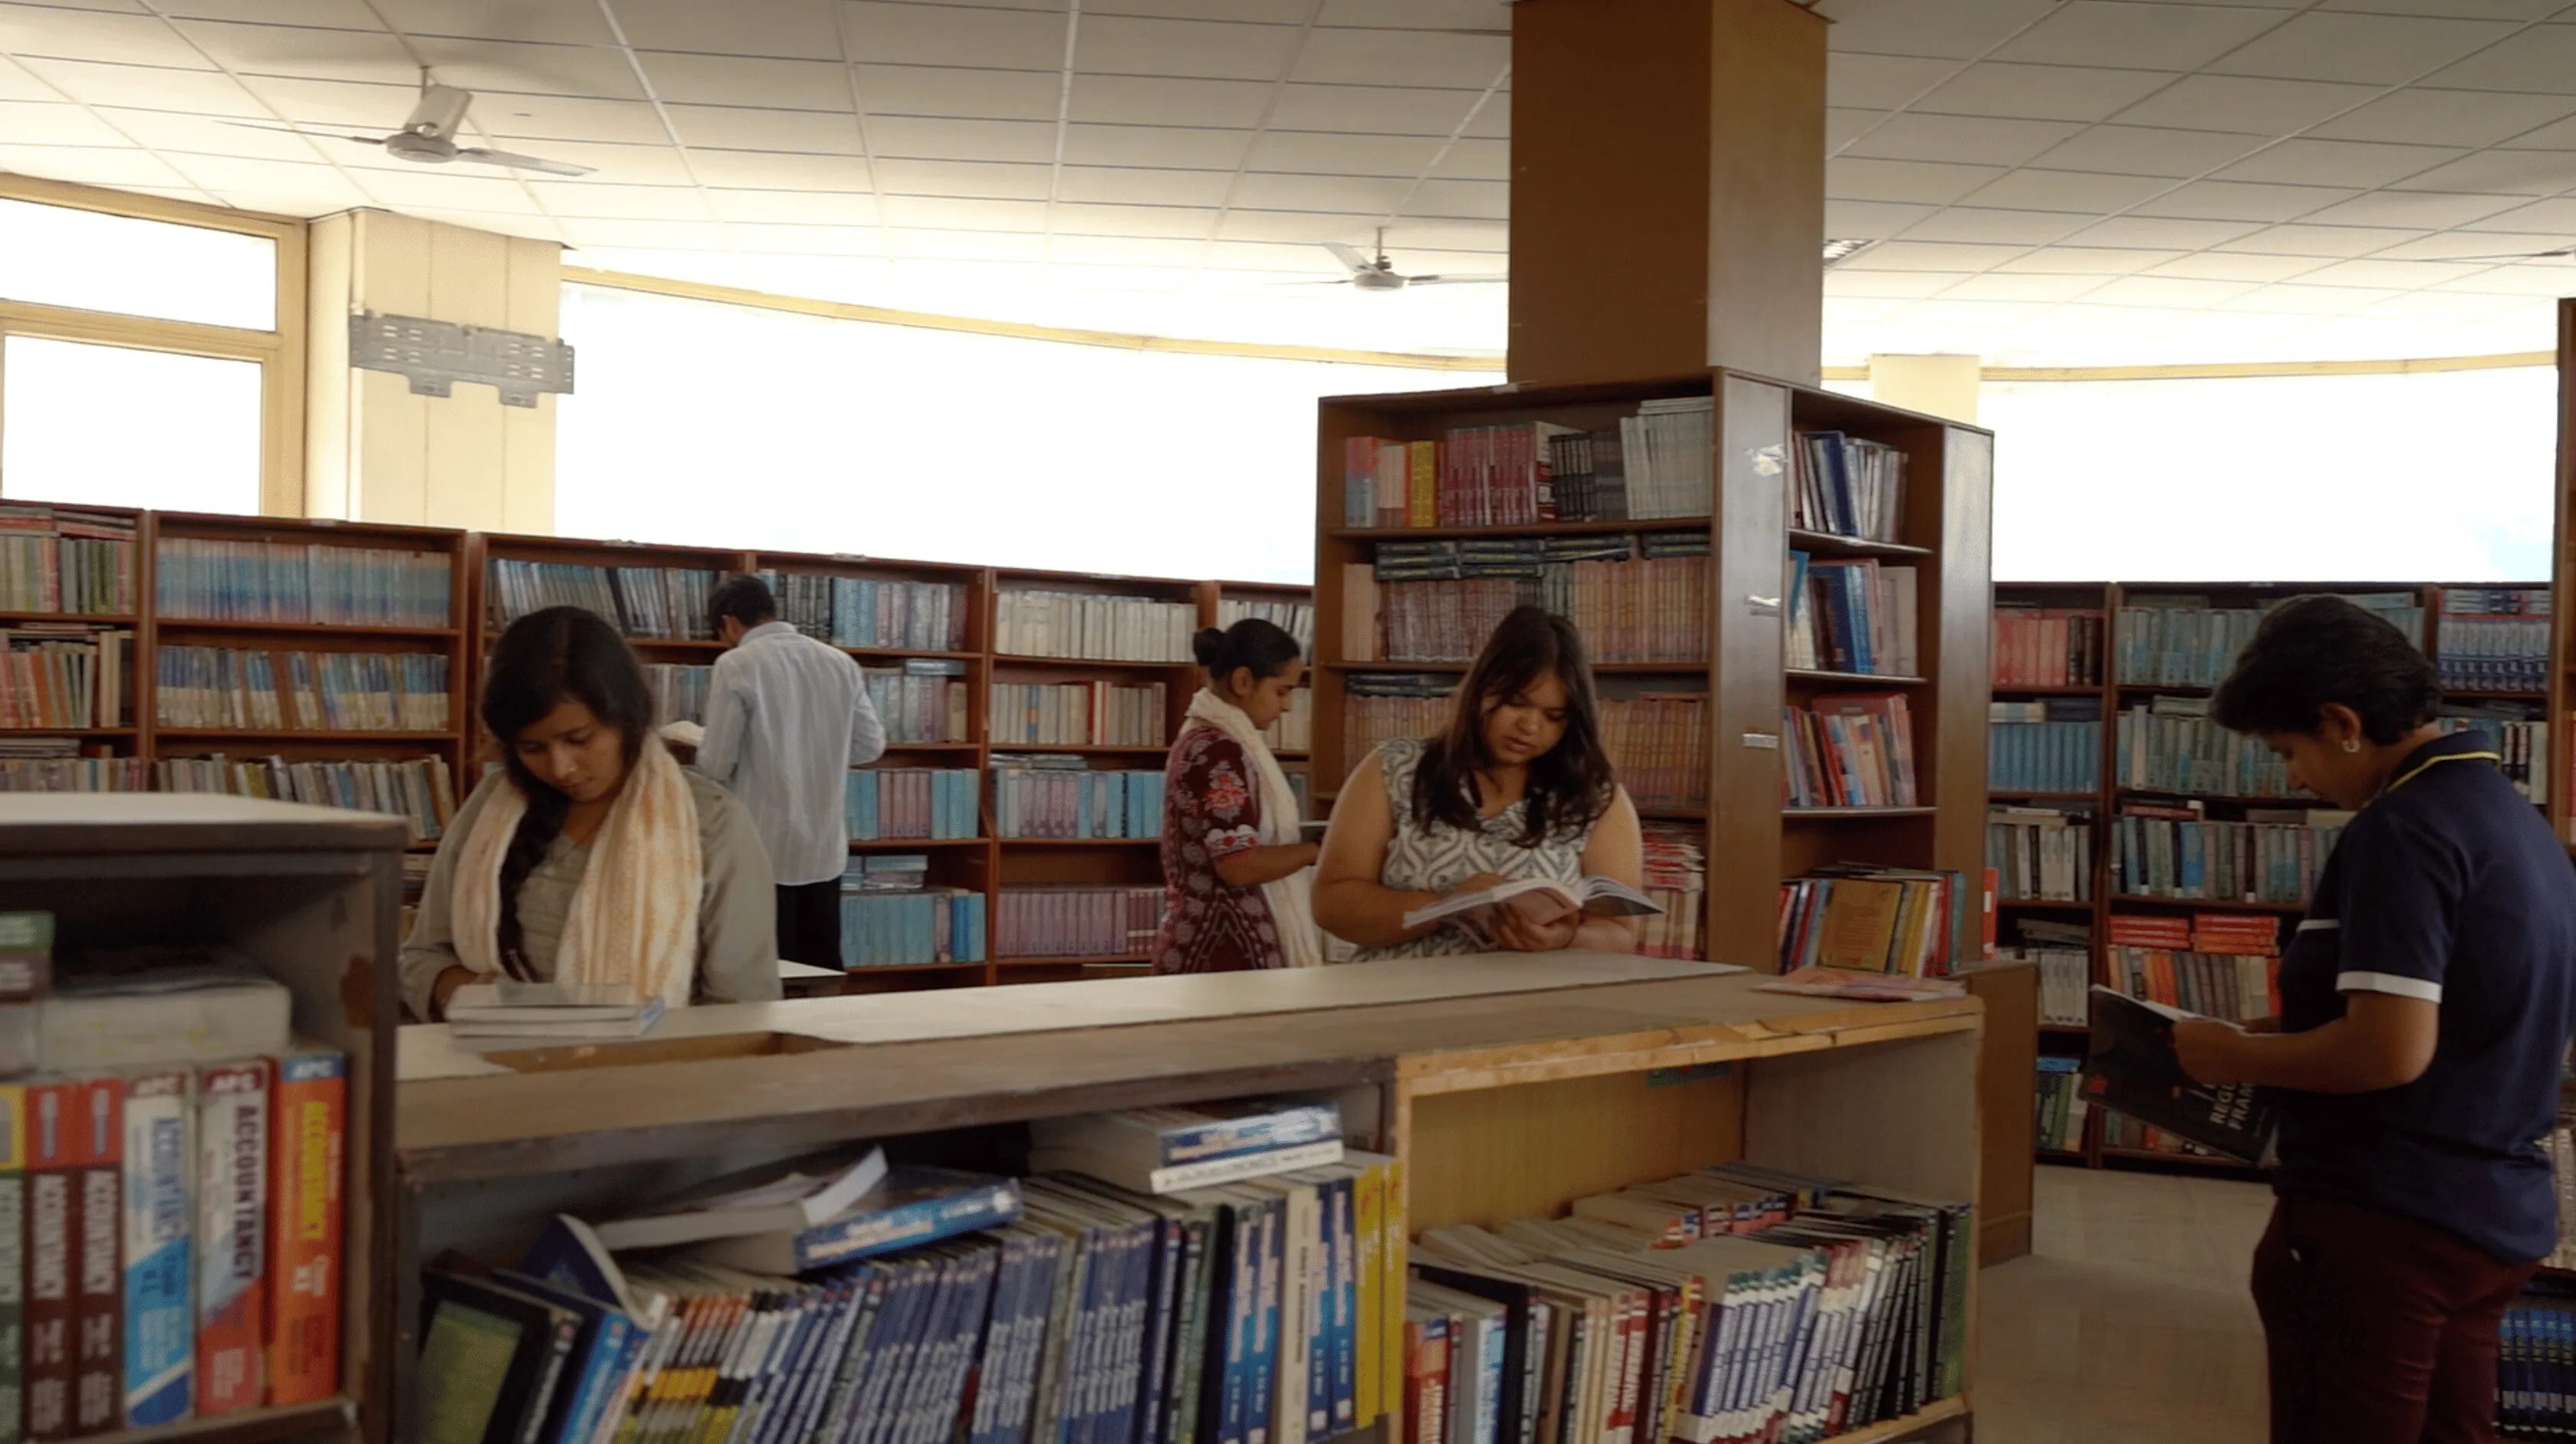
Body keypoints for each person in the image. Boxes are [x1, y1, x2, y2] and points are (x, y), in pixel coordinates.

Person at [2171, 594, 2576, 1444]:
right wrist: (2269, 1038)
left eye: (2289, 751)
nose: (2294, 778)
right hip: (2492, 1211)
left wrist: (2231, 1057)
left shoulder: (2404, 829)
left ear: (2342, 723)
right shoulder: (2515, 819)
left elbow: (2388, 1050)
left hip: (2387, 1219)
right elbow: (2461, 1015)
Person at [401, 606, 782, 1021]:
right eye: (533, 748)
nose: (561, 768)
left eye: (579, 739)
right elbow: (422, 957)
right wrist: (481, 999)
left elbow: (743, 1007)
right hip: (489, 1054)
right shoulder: (490, 809)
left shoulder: (711, 823)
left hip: (656, 1060)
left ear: (627, 717)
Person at [1314, 605, 1644, 959]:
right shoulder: (1394, 769)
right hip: (1400, 988)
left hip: (1534, 992)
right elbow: (1331, 903)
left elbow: (1620, 933)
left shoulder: (1595, 797)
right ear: (1482, 687)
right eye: (1516, 703)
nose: (1530, 727)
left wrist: (1565, 939)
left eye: (1553, 716)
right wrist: (1445, 906)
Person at [698, 574, 887, 969]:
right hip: (823, 850)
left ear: (729, 623)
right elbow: (871, 745)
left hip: (761, 849)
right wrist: (817, 753)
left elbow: (716, 764)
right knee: (820, 969)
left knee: (766, 974)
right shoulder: (839, 662)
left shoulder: (736, 664)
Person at [1151, 619, 1323, 974]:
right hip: (1220, 950)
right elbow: (1238, 865)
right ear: (1243, 681)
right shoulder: (1218, 751)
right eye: (1281, 691)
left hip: (1215, 944)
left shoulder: (1204, 739)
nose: (1287, 706)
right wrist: (1317, 850)